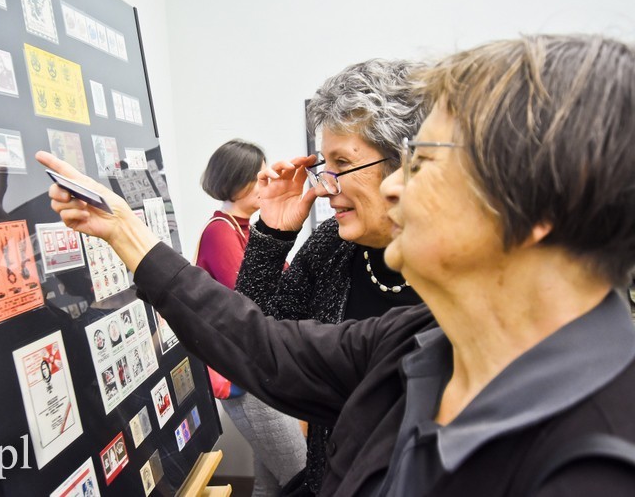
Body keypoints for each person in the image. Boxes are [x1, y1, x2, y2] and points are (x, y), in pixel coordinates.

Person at [37, 34, 635, 495]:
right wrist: (125, 231)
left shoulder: (597, 461)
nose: (397, 188)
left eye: (423, 163)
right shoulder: (426, 341)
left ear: (538, 205)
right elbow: (263, 342)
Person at [233, 59, 426, 494]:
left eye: (343, 163)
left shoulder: (454, 266)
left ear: (406, 163)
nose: (326, 185)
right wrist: (272, 234)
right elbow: (255, 339)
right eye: (326, 165)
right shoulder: (332, 246)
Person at [196, 139, 306, 496]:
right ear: (236, 180)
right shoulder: (220, 232)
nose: (267, 184)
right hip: (244, 376)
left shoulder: (245, 228)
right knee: (301, 473)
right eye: (259, 178)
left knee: (270, 482)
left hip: (260, 370)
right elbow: (254, 301)